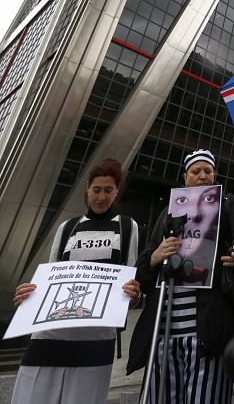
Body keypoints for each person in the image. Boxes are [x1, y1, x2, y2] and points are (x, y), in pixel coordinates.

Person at [127, 148, 234, 404]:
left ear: (214, 176)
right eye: (196, 171)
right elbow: (143, 269)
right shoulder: (168, 211)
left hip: (208, 328)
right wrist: (156, 256)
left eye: (208, 171)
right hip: (164, 327)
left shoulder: (226, 204)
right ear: (185, 178)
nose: (202, 175)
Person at [11, 157, 140, 404]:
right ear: (87, 190)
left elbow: (129, 274)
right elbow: (50, 276)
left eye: (108, 190)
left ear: (117, 192)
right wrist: (30, 294)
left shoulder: (127, 226)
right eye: (97, 190)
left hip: (96, 334)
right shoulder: (67, 227)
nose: (101, 196)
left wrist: (132, 294)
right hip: (52, 331)